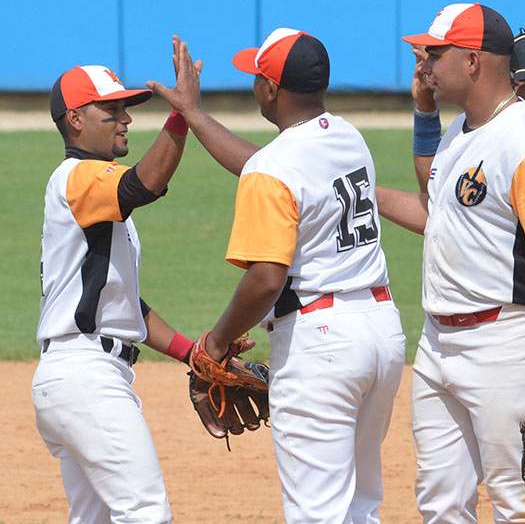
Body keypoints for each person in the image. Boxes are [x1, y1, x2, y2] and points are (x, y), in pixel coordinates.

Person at [148, 29, 406, 524]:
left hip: (322, 346)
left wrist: (215, 344)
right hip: (381, 333)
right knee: (360, 506)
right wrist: (196, 116)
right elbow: (268, 168)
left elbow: (266, 279)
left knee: (316, 513)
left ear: (270, 90)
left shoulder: (276, 167)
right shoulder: (348, 137)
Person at [376, 3, 525, 524]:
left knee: (519, 506)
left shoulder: (524, 143)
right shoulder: (465, 130)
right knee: (441, 501)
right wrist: (366, 185)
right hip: (438, 343)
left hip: (503, 344)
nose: (422, 63)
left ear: (473, 61)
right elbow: (437, 204)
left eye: (434, 52)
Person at [32, 41, 202, 523]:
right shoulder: (79, 176)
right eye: (110, 108)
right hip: (86, 376)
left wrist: (191, 351)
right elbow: (142, 185)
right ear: (76, 118)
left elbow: (124, 304)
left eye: (125, 107)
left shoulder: (93, 194)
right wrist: (182, 117)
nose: (124, 117)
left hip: (78, 375)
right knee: (146, 512)